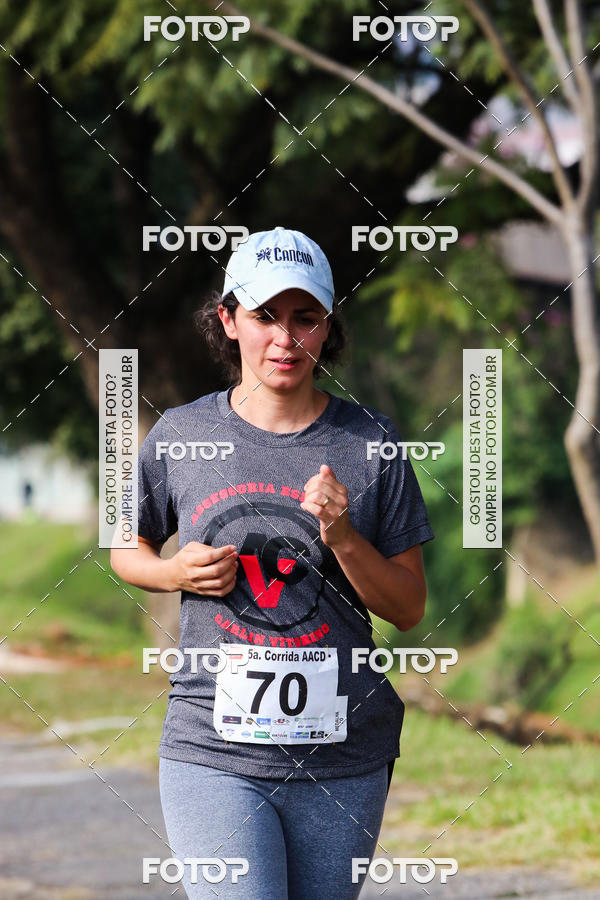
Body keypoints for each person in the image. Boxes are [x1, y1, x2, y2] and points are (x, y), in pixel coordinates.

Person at [111, 225, 434, 899]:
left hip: (344, 752)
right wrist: (174, 573)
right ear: (228, 319)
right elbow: (125, 548)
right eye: (264, 316)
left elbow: (407, 608)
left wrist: (344, 537)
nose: (285, 338)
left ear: (327, 328)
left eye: (305, 318)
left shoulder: (370, 442)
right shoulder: (181, 434)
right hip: (213, 750)